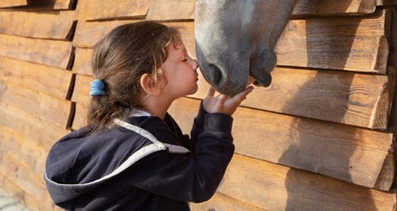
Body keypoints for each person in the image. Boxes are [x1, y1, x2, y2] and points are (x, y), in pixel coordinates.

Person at [44, 21, 253, 211]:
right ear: (152, 83)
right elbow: (199, 182)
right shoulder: (143, 145)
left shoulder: (138, 124)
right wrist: (219, 124)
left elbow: (184, 160)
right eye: (183, 59)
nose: (195, 63)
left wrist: (209, 116)